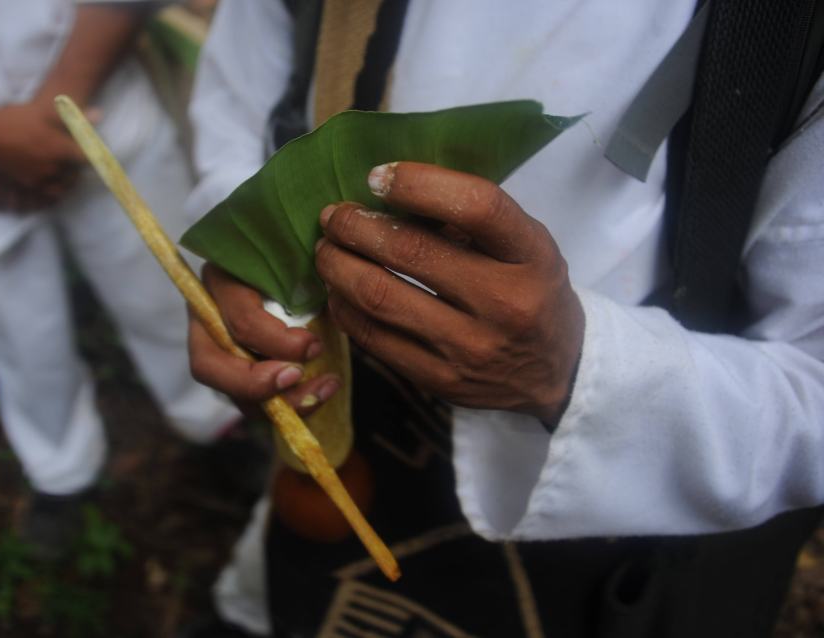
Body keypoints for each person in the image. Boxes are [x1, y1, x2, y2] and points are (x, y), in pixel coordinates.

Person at [181, 0, 824, 636]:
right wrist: (255, 264)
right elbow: (243, 100)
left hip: (604, 514)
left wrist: (579, 370)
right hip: (343, 403)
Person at [0, 0, 240, 554]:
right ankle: (60, 469)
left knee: (167, 295)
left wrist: (38, 121)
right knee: (21, 337)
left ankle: (213, 422)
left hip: (101, 98)